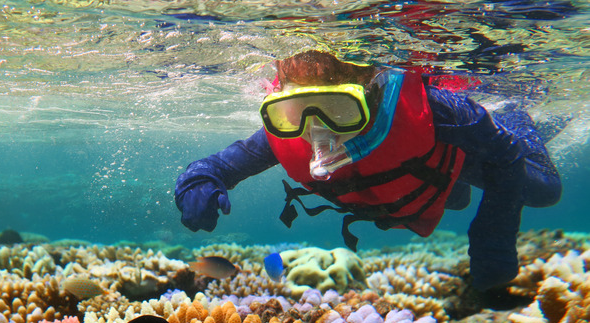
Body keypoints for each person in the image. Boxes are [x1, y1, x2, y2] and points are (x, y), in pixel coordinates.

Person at [174, 50, 561, 292]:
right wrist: (196, 181)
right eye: (295, 112)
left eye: (339, 110)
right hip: (419, 181)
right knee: (455, 201)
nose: (317, 130)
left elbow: (506, 156)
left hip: (449, 153)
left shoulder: (440, 110)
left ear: (373, 93)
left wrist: (493, 237)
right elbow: (217, 166)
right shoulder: (284, 136)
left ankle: (517, 117)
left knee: (544, 190)